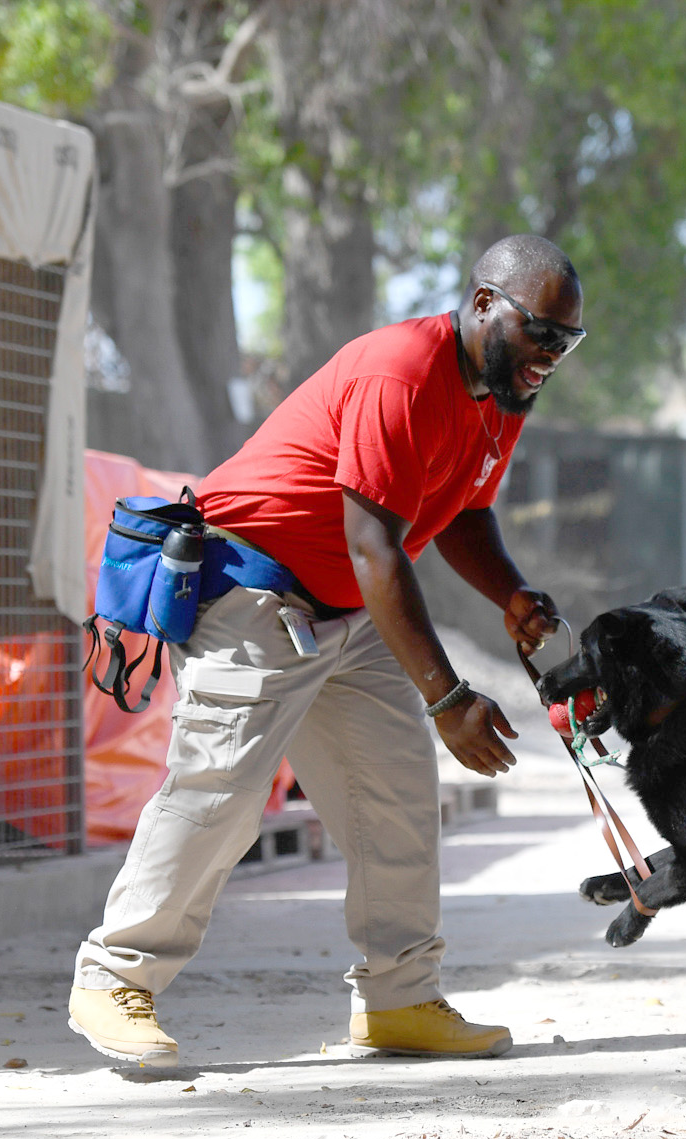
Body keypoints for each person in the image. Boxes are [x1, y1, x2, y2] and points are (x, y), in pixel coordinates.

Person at [67, 234, 585, 1066]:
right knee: (221, 794)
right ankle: (112, 973)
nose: (551, 355)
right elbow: (375, 546)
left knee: (398, 796)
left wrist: (512, 597)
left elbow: (460, 513)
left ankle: (399, 997)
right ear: (484, 304)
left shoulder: (500, 392)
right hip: (256, 594)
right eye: (541, 332)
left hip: (344, 611)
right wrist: (449, 699)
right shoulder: (402, 372)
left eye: (567, 340)